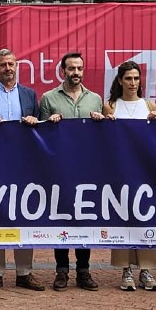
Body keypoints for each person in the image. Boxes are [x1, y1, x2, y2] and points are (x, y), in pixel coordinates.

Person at [0, 49, 44, 292]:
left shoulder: (29, 94)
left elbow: (40, 130)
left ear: (17, 66)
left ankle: (24, 272)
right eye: (3, 64)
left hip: (24, 164)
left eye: (11, 64)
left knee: (24, 215)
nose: (8, 68)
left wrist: (34, 122)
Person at [39, 52, 108, 291]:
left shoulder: (95, 99)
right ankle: (61, 271)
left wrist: (101, 121)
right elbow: (40, 135)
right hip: (59, 168)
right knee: (61, 218)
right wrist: (49, 123)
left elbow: (102, 136)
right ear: (63, 71)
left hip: (87, 169)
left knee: (85, 218)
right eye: (71, 68)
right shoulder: (48, 98)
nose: (76, 72)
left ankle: (83, 271)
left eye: (79, 68)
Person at [105, 61, 156, 291]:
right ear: (120, 80)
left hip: (146, 171)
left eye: (136, 78)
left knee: (147, 217)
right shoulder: (110, 106)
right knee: (122, 218)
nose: (132, 82)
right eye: (128, 78)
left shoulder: (150, 105)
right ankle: (125, 270)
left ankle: (146, 271)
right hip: (120, 170)